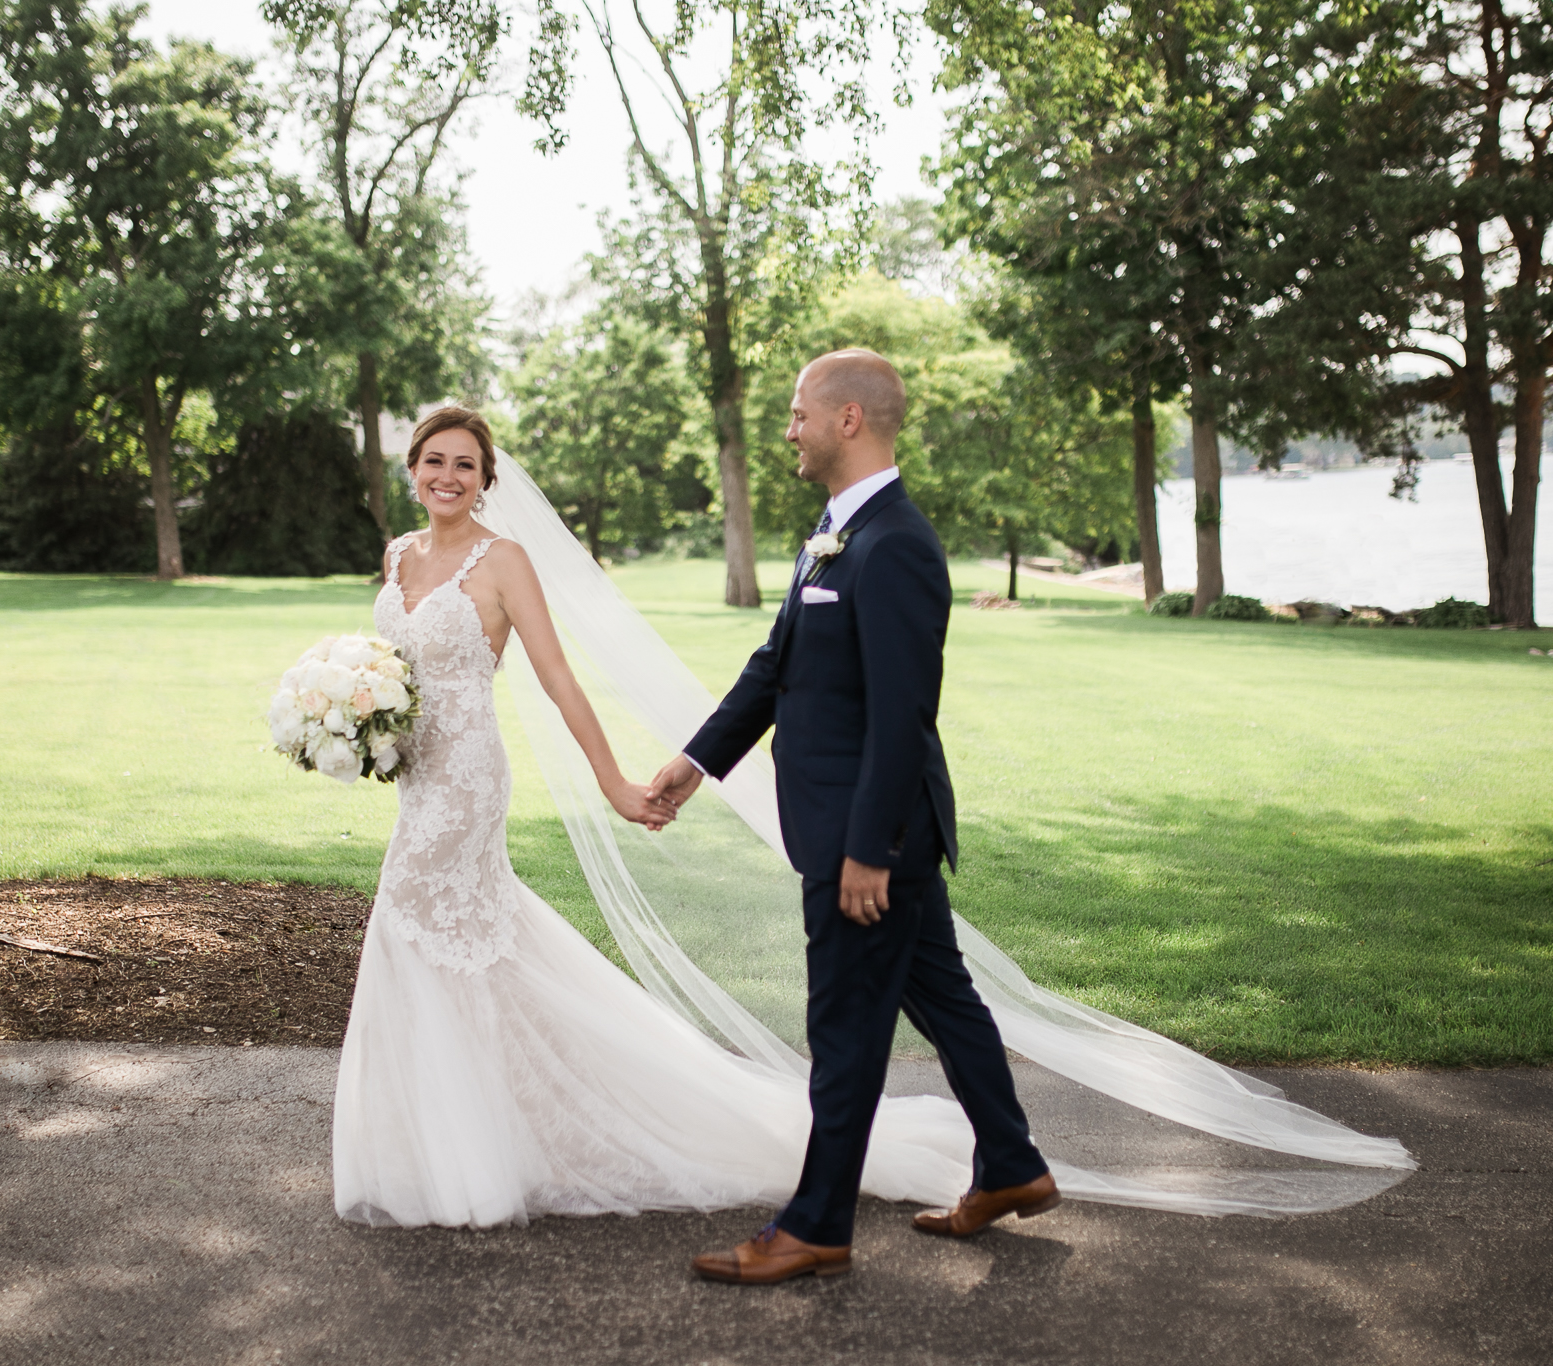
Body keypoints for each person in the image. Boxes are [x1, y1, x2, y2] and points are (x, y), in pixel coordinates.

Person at [331, 405, 978, 1229]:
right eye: (433, 461)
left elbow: (559, 678)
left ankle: (470, 1152)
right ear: (410, 469)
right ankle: (442, 1136)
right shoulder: (397, 557)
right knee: (440, 942)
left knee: (420, 925)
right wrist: (358, 722)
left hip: (466, 785)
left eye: (465, 464)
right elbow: (394, 669)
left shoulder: (505, 562)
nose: (447, 477)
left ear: (487, 481)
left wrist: (612, 782)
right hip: (414, 780)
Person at [647, 350, 1058, 1286]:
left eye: (797, 415)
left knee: (843, 1033)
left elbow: (904, 712)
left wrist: (869, 850)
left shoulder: (896, 544)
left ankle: (816, 1226)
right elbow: (776, 667)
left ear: (847, 421)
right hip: (858, 833)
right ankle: (1013, 1165)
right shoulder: (835, 534)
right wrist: (694, 760)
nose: (786, 430)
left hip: (866, 844)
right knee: (945, 1001)